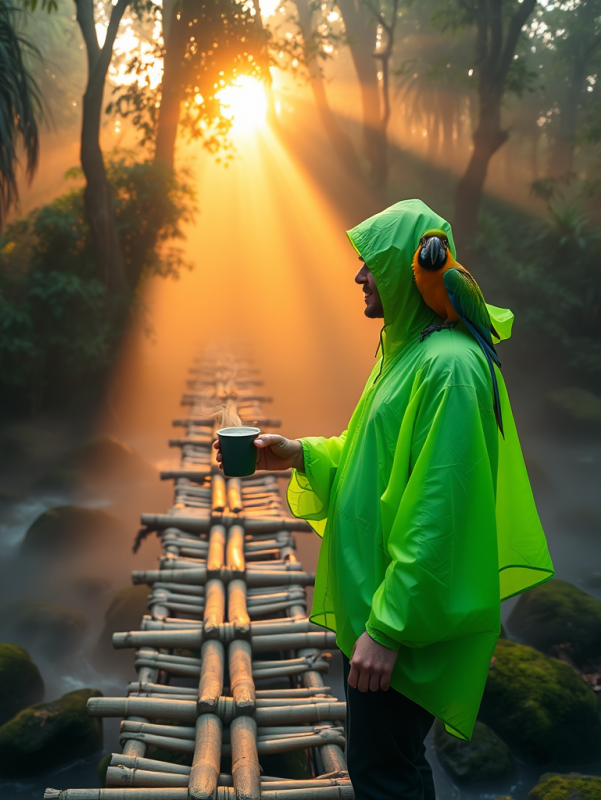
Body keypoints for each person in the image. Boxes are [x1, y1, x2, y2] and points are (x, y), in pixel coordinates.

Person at [214, 199, 554, 800]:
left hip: (403, 620)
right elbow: (373, 458)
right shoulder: (404, 352)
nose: (359, 276)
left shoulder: (448, 367)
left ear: (402, 267)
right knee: (395, 766)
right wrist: (301, 454)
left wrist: (388, 630)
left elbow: (439, 512)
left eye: (370, 263)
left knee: (382, 774)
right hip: (384, 605)